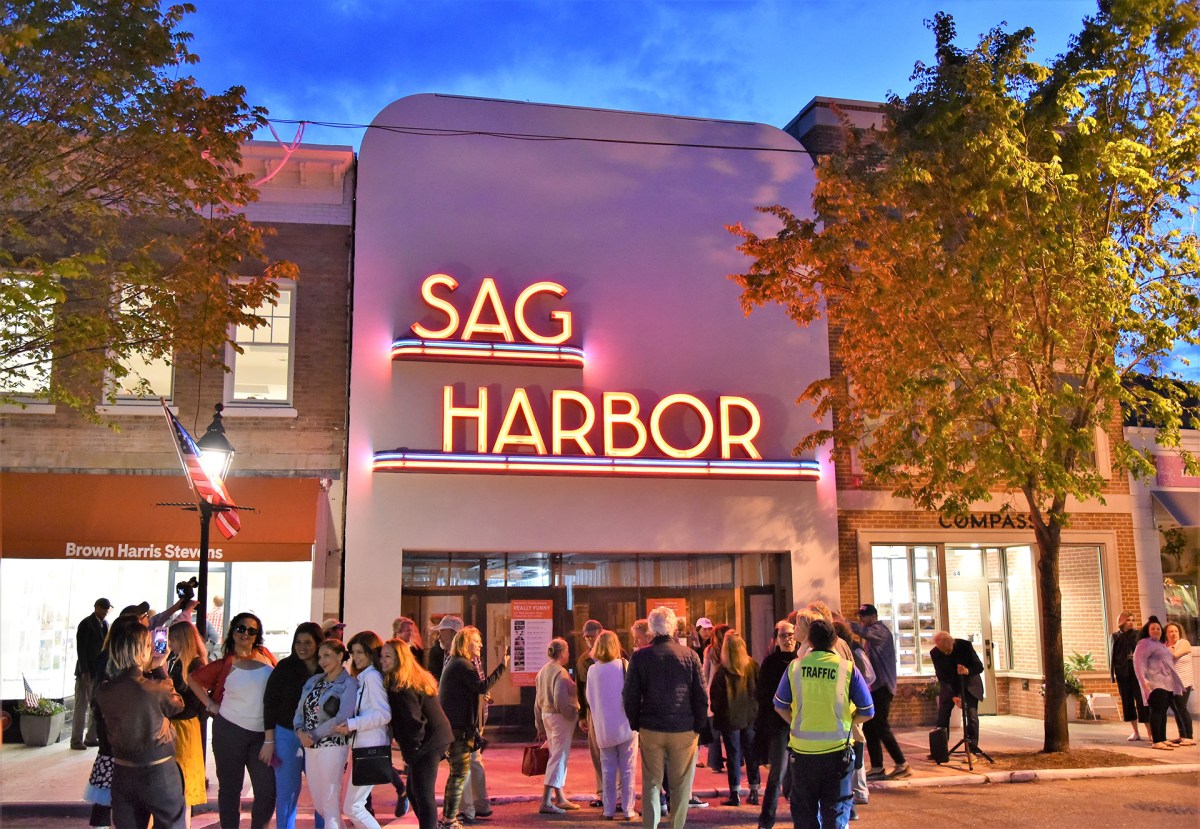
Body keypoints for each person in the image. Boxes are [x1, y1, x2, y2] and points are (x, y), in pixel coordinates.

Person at [774, 618, 874, 829]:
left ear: (809, 641)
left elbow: (779, 705)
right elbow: (868, 711)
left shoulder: (795, 668)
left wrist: (796, 723)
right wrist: (847, 724)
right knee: (835, 810)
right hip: (837, 752)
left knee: (805, 812)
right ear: (834, 640)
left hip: (803, 754)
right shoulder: (847, 669)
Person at [92, 615, 187, 829]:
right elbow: (177, 705)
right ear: (143, 649)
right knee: (171, 824)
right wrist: (159, 667)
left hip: (123, 771)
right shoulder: (156, 688)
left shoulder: (104, 691)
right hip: (159, 770)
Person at [187, 611, 278, 829]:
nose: (245, 633)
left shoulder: (266, 655)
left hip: (262, 734)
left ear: (257, 635)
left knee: (267, 789)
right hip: (229, 731)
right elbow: (192, 679)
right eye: (241, 628)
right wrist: (210, 705)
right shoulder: (225, 663)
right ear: (233, 632)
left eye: (251, 630)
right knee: (230, 788)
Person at [623, 605, 709, 829]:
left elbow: (630, 694)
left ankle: (651, 825)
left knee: (652, 782)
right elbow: (700, 694)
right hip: (683, 728)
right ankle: (676, 825)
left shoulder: (640, 656)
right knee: (680, 784)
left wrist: (636, 722)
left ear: (651, 629)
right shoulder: (689, 655)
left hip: (651, 727)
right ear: (673, 628)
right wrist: (699, 725)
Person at [439, 625, 508, 829]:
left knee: (459, 773)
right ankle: (449, 819)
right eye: (477, 641)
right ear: (466, 643)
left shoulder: (458, 664)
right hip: (459, 730)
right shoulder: (462, 664)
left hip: (460, 728)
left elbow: (474, 690)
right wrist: (503, 666)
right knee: (459, 774)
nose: (480, 644)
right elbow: (482, 686)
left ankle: (451, 817)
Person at [382, 638, 453, 829]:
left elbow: (414, 722)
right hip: (433, 738)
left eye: (388, 656)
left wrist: (413, 749)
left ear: (400, 659)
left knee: (423, 794)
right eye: (382, 656)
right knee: (414, 791)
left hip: (429, 741)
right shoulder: (407, 678)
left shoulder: (403, 685)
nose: (383, 661)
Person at [264, 622, 325, 829]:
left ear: (318, 643)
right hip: (287, 735)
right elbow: (269, 704)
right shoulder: (285, 667)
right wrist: (269, 740)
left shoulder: (327, 668)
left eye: (308, 642)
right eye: (298, 642)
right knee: (287, 793)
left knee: (322, 793)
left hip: (319, 737)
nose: (302, 647)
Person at [331, 631, 391, 829]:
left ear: (370, 653)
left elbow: (383, 714)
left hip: (369, 748)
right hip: (361, 748)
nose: (355, 657)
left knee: (353, 807)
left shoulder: (372, 677)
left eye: (360, 652)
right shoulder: (365, 677)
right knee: (352, 805)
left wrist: (352, 724)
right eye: (353, 652)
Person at [296, 638, 358, 829]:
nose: (322, 660)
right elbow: (299, 710)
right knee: (320, 804)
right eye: (320, 656)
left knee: (330, 803)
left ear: (340, 656)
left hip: (333, 745)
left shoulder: (349, 683)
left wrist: (313, 734)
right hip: (309, 746)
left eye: (327, 655)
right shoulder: (313, 681)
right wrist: (299, 731)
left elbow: (343, 717)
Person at [851, 603, 910, 779]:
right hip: (875, 687)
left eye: (863, 616)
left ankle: (902, 763)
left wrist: (845, 624)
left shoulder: (880, 631)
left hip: (883, 686)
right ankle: (877, 766)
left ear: (873, 616)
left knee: (881, 725)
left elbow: (864, 632)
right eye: (859, 617)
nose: (861, 620)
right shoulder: (873, 635)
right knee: (869, 726)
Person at [587, 630, 637, 821]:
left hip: (604, 728)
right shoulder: (624, 665)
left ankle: (608, 809)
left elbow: (589, 699)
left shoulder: (593, 670)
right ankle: (628, 809)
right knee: (628, 769)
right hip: (626, 726)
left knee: (607, 770)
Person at [753, 620, 797, 829]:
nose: (788, 639)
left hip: (800, 724)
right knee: (778, 772)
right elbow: (762, 694)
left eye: (791, 635)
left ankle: (800, 814)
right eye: (783, 636)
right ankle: (766, 818)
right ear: (776, 639)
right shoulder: (770, 663)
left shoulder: (802, 661)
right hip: (779, 725)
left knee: (799, 773)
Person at [166, 621, 208, 828]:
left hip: (185, 726)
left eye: (172, 640)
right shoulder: (175, 660)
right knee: (174, 782)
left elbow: (194, 701)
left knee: (183, 781)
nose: (169, 644)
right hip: (176, 724)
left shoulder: (194, 664)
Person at [711, 630, 760, 807]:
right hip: (750, 716)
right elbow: (759, 690)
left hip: (729, 718)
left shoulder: (723, 671)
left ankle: (735, 793)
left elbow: (715, 696)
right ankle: (754, 791)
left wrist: (716, 711)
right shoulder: (752, 666)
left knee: (733, 755)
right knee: (751, 754)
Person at [535, 637, 581, 814]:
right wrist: (572, 714)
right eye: (567, 651)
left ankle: (559, 796)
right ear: (562, 653)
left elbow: (537, 702)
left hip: (547, 716)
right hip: (559, 718)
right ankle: (546, 800)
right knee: (559, 757)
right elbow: (560, 699)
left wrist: (538, 724)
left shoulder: (543, 671)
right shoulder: (560, 673)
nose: (568, 654)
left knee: (556, 754)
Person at [1133, 616, 1185, 750]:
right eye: (1152, 628)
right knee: (1156, 711)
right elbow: (1139, 664)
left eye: (1158, 628)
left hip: (1166, 683)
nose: (1156, 630)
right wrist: (1144, 681)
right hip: (1154, 683)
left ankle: (1162, 738)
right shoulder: (1144, 644)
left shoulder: (1161, 644)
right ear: (1147, 630)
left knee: (1162, 712)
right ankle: (1156, 741)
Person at [929, 631, 985, 752]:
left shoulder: (965, 646)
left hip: (969, 684)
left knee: (972, 717)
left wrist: (967, 670)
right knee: (942, 716)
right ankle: (941, 751)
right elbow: (942, 677)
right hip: (950, 685)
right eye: (943, 652)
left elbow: (979, 667)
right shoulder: (935, 653)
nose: (947, 653)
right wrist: (953, 695)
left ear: (952, 642)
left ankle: (972, 749)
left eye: (948, 650)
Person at [73, 597, 112, 749]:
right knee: (81, 706)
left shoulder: (105, 625)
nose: (105, 612)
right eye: (103, 609)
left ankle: (91, 737)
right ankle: (76, 740)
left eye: (107, 610)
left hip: (98, 672)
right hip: (86, 672)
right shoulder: (86, 624)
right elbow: (81, 649)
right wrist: (84, 671)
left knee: (96, 706)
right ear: (96, 607)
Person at [576, 619, 605, 807]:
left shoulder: (619, 655)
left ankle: (618, 793)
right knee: (597, 752)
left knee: (617, 752)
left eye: (591, 636)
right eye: (586, 637)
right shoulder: (583, 659)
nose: (589, 640)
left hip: (614, 709)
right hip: (593, 710)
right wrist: (581, 715)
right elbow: (580, 687)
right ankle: (602, 791)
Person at [1111, 610, 1147, 740]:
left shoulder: (1138, 635)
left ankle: (1150, 732)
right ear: (1121, 621)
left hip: (1137, 671)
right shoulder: (1116, 636)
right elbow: (1113, 655)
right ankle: (1135, 732)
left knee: (1142, 701)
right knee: (1127, 702)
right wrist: (1113, 674)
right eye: (1128, 620)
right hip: (1123, 672)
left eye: (1132, 620)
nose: (1131, 622)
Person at [703, 623, 729, 774]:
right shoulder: (731, 651)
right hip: (728, 693)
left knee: (714, 730)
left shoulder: (710, 651)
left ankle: (715, 763)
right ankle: (736, 760)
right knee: (729, 729)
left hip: (713, 693)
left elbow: (705, 674)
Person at [1164, 622, 1195, 746]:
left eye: (1176, 631)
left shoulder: (1184, 643)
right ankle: (1182, 735)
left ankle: (1189, 736)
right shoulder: (1165, 645)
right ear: (1166, 634)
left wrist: (1165, 651)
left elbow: (1174, 655)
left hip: (1183, 681)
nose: (1174, 634)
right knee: (1175, 708)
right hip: (1170, 683)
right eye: (1171, 631)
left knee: (1181, 707)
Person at [428, 615, 463, 679]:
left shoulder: (467, 655)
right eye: (439, 632)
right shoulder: (445, 652)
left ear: (454, 633)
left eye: (442, 631)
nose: (439, 637)